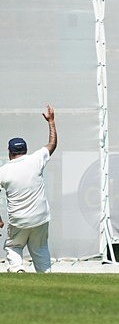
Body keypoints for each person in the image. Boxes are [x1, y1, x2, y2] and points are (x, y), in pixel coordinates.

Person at [0, 105, 58, 273]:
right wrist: (51, 122)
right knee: (40, 248)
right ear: (25, 150)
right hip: (41, 218)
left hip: (19, 220)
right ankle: (45, 274)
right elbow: (52, 144)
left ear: (9, 152)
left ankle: (18, 269)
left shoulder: (3, 171)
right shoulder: (36, 160)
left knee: (13, 245)